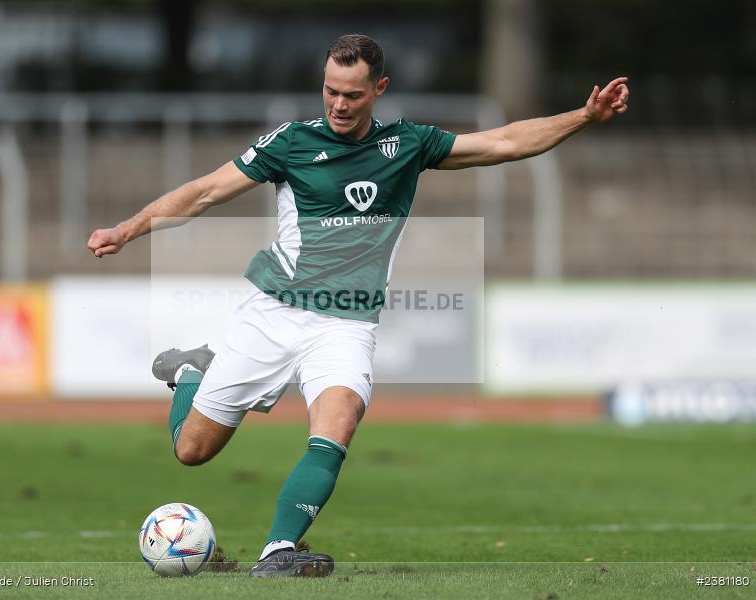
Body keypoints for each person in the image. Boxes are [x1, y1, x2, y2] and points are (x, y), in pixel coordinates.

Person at [87, 34, 629, 577]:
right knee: (192, 451)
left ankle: (277, 552)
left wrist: (583, 115)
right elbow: (205, 191)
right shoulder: (292, 143)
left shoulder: (409, 144)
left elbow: (504, 143)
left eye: (351, 94)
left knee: (339, 421)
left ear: (379, 89)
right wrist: (128, 229)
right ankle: (190, 373)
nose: (339, 105)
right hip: (274, 314)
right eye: (329, 92)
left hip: (345, 323)